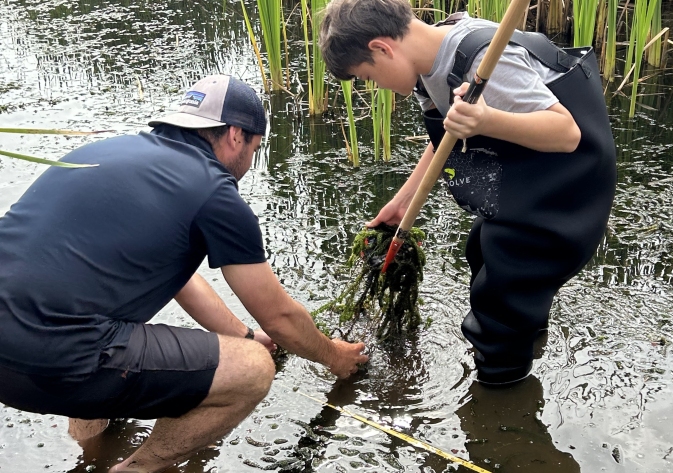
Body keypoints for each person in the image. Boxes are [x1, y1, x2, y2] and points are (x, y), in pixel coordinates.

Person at [0, 74, 369, 473]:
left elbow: (180, 280)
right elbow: (279, 317)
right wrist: (334, 357)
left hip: (10, 362)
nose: (247, 164)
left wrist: (244, 335)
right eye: (255, 149)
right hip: (57, 361)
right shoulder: (213, 191)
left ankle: (92, 453)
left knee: (93, 307)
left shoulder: (105, 152)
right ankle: (136, 469)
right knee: (252, 370)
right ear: (235, 136)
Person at [319, 0, 615, 385]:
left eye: (368, 77)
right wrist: (402, 201)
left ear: (381, 49)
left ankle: (500, 393)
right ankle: (529, 333)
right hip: (529, 180)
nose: (376, 87)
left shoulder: (485, 63)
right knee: (480, 249)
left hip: (568, 192)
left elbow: (566, 133)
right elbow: (445, 135)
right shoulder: (426, 65)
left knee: (498, 297)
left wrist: (487, 119)